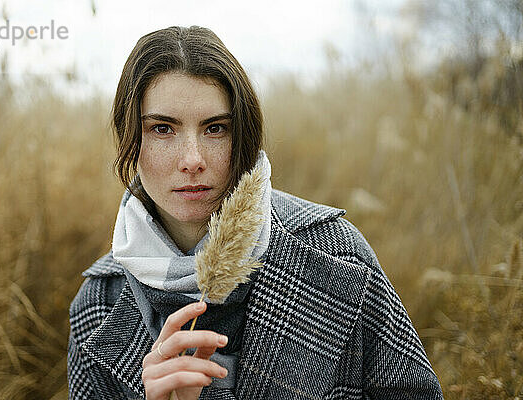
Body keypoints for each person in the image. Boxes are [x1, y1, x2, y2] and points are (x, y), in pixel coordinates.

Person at [67, 25, 444, 400]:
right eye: (163, 128)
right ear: (130, 138)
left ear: (243, 136)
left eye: (215, 129)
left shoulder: (335, 254)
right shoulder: (99, 303)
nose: (192, 160)